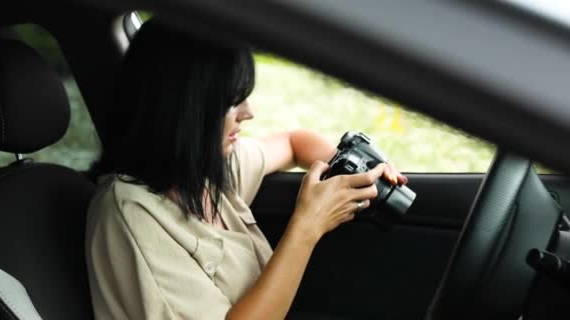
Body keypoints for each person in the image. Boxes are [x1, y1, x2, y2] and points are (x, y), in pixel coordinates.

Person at [85, 18, 408, 320]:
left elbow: (294, 141)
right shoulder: (129, 211)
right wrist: (308, 225)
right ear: (185, 106)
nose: (248, 113)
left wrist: (357, 164)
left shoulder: (206, 175)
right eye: (233, 101)